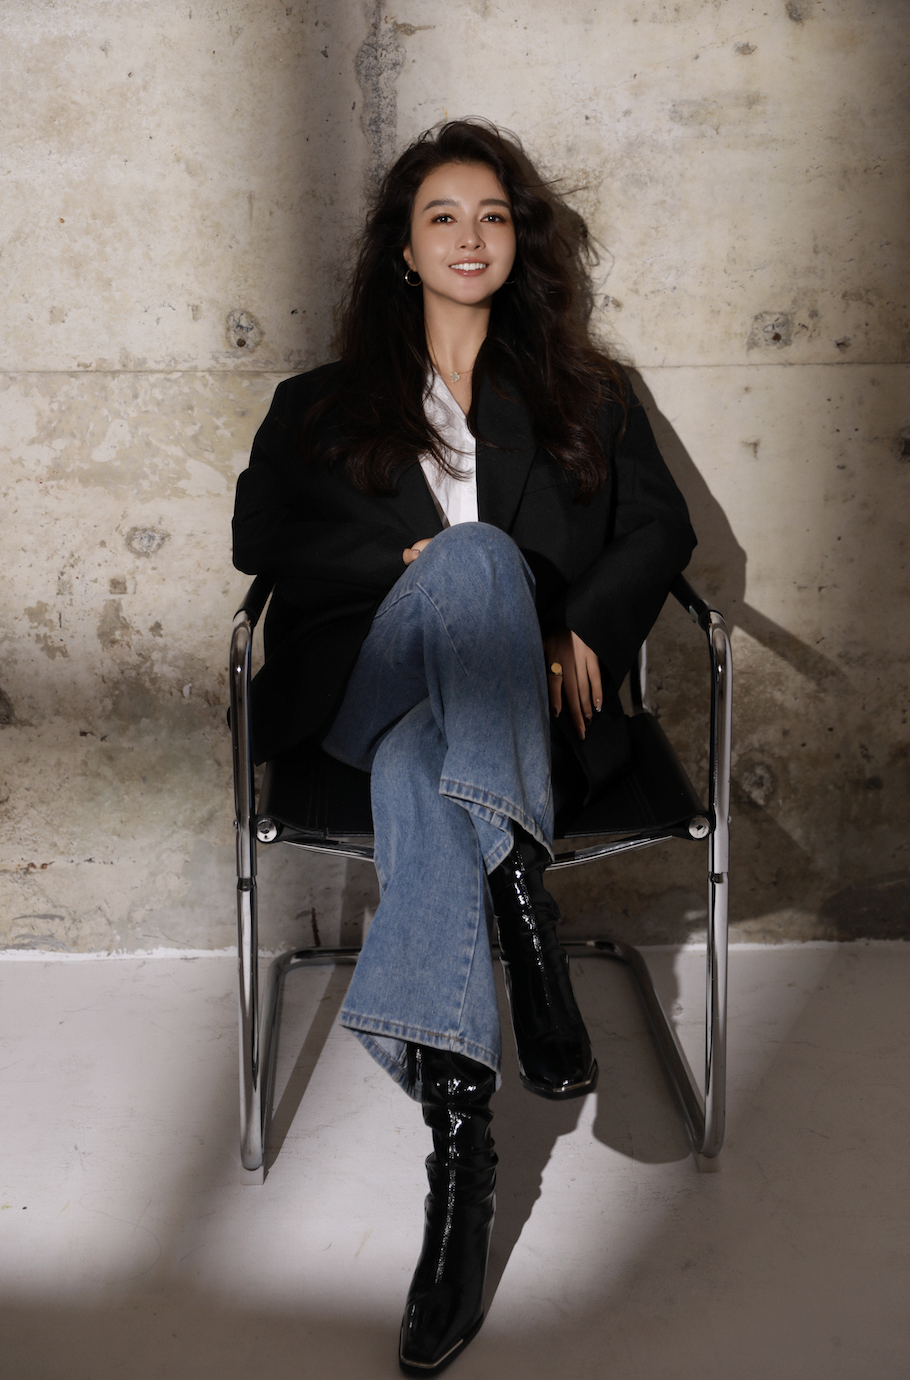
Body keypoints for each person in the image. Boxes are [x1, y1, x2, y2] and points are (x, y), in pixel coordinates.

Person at [232, 118, 696, 1375]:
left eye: (492, 215)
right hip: (362, 679)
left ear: (518, 239)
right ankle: (523, 909)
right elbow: (259, 536)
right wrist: (412, 569)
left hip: (499, 720)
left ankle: (461, 1165)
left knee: (423, 771)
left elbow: (658, 534)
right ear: (402, 246)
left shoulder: (585, 393)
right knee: (473, 558)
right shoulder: (320, 404)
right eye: (443, 215)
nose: (470, 236)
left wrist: (587, 625)